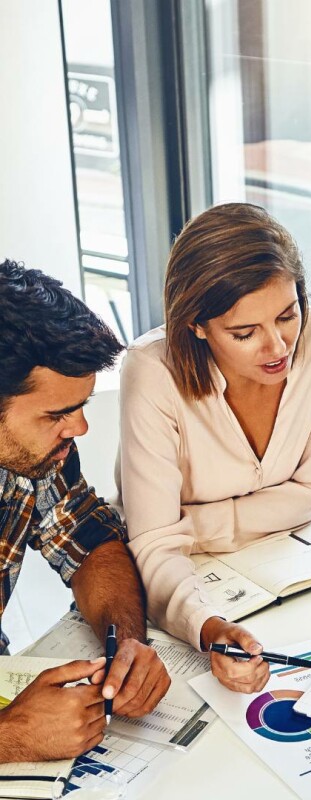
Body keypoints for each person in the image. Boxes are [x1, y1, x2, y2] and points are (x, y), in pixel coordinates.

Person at [115, 203, 311, 694]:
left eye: (288, 315)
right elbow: (156, 550)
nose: (277, 347)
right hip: (180, 586)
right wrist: (207, 627)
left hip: (295, 570)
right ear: (197, 326)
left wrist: (192, 525)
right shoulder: (152, 374)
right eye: (244, 333)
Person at [0, 259, 170, 763]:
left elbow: (89, 540)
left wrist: (126, 645)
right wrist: (10, 737)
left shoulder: (33, 456)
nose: (79, 430)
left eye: (82, 407)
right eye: (56, 415)